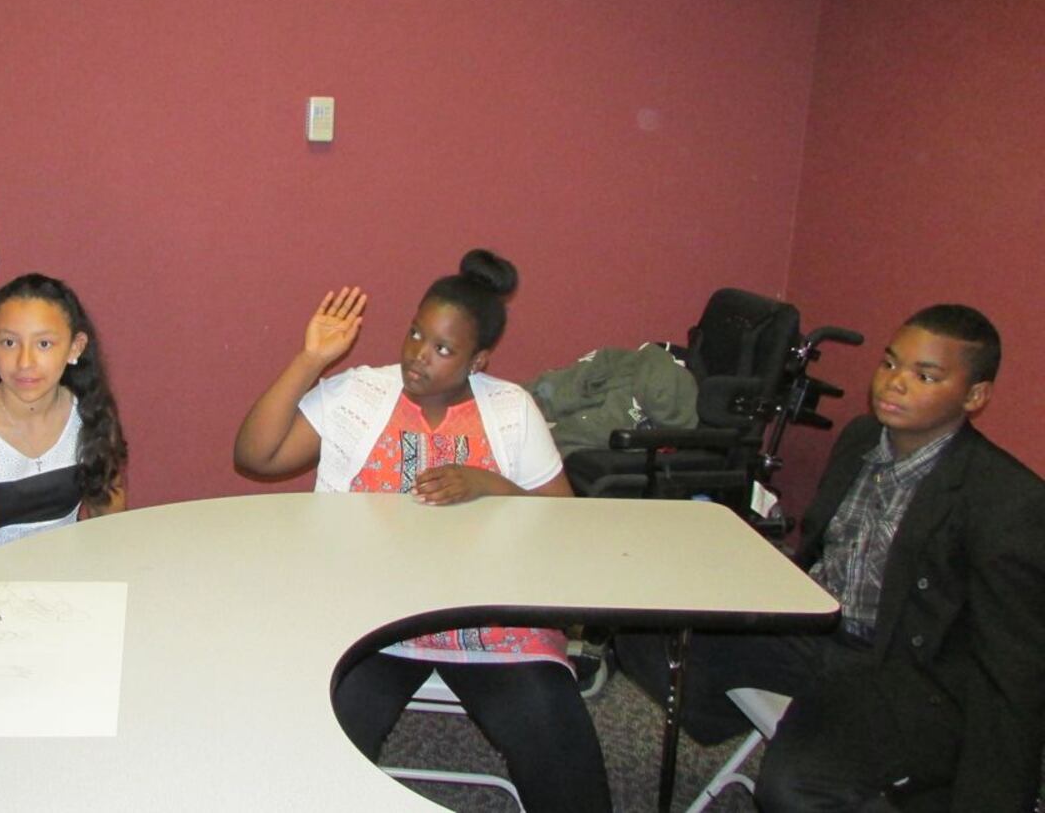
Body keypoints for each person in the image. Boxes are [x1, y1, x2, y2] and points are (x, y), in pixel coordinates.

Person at [616, 304, 1045, 811]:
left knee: (793, 790)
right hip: (817, 625)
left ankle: (863, 761)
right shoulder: (863, 437)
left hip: (897, 672)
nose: (895, 383)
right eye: (890, 364)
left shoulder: (1007, 499)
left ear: (974, 396)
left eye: (924, 375)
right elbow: (822, 549)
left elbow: (1014, 671)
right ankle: (764, 718)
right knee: (640, 626)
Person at [234, 250, 612, 813]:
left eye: (442, 349)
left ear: (478, 360)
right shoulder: (360, 396)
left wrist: (492, 485)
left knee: (564, 761)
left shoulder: (512, 410)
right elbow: (255, 456)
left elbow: (565, 527)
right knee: (301, 763)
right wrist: (310, 359)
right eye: (414, 335)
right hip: (370, 624)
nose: (417, 357)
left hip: (491, 628)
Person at [0, 273, 127, 559]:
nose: (25, 362)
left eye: (44, 344)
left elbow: (111, 531)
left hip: (70, 577)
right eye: (9, 343)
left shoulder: (89, 415)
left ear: (75, 347)